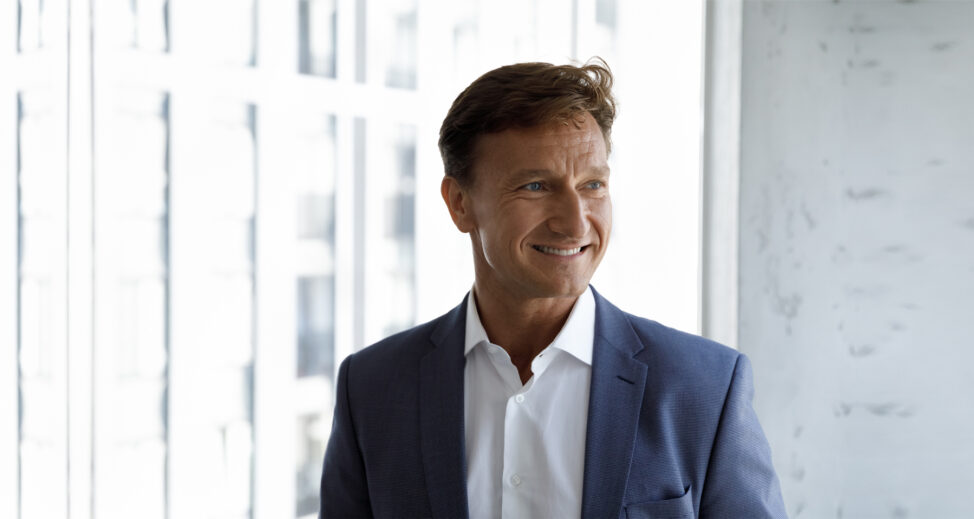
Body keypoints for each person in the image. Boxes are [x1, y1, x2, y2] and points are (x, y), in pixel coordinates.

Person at [320, 59, 786, 518]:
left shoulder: (704, 390)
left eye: (593, 185)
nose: (576, 222)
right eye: (536, 186)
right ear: (460, 204)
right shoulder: (372, 390)